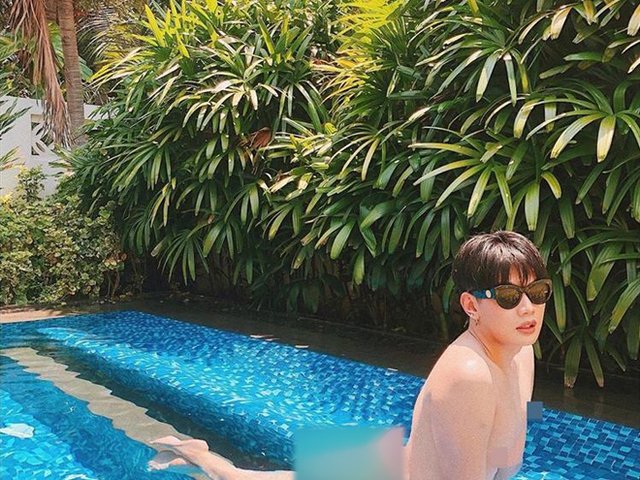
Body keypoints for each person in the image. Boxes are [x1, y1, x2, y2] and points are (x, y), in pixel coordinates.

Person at [150, 231, 551, 480]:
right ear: (470, 305)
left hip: (394, 465)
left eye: (537, 293)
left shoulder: (520, 352)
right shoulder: (469, 373)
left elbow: (514, 425)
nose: (528, 308)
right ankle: (196, 453)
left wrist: (522, 415)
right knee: (235, 478)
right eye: (508, 296)